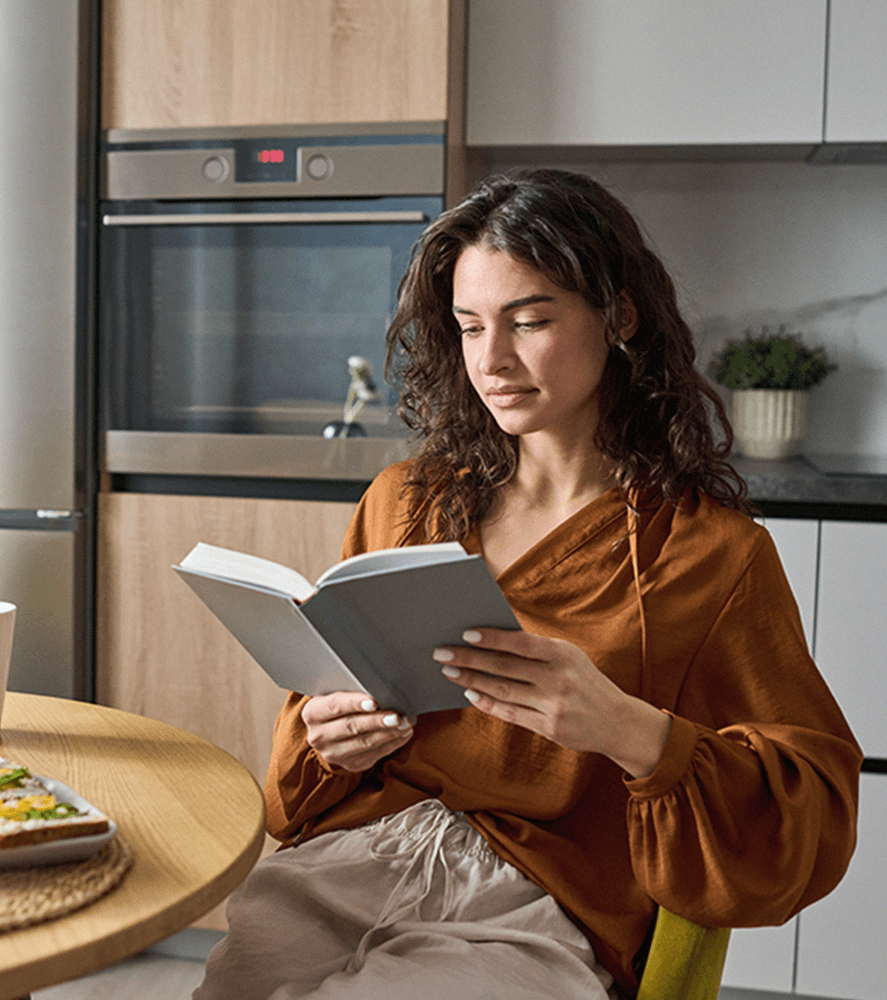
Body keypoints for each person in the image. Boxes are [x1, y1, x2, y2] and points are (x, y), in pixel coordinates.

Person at [194, 169, 862, 1000]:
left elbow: (814, 806)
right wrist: (327, 739)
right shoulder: (405, 503)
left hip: (535, 908)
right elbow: (311, 741)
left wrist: (633, 732)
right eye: (470, 327)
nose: (493, 359)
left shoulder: (709, 555)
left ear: (618, 315)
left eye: (530, 320)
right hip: (351, 864)